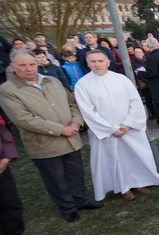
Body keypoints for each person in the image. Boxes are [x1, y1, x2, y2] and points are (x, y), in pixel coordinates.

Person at [0, 52, 102, 221]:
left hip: (71, 137)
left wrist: (76, 123)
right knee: (56, 178)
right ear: (12, 67)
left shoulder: (52, 81)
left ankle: (82, 200)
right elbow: (23, 118)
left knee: (75, 173)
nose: (29, 69)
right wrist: (60, 129)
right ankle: (67, 207)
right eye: (22, 65)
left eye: (32, 64)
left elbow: (72, 103)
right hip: (44, 143)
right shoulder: (8, 90)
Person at [74, 51, 159, 202]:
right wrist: (111, 129)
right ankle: (124, 188)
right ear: (87, 63)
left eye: (100, 61)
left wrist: (128, 123)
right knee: (114, 161)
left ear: (108, 62)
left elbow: (135, 101)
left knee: (135, 156)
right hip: (106, 132)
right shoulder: (83, 85)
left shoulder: (121, 79)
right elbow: (88, 112)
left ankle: (140, 182)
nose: (97, 64)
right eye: (93, 61)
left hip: (128, 127)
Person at [0, 117, 36, 235]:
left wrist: (6, 158)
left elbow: (5, 136)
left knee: (10, 201)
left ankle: (14, 234)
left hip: (2, 168)